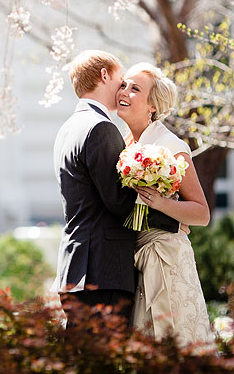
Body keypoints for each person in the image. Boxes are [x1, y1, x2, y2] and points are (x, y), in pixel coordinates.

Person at [50, 51, 185, 330]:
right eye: (121, 81)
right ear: (104, 76)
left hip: (76, 267)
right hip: (102, 271)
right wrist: (173, 221)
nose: (123, 89)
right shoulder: (100, 128)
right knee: (103, 366)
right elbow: (120, 204)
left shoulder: (68, 128)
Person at [116, 62, 214, 347]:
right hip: (134, 258)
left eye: (135, 88)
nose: (124, 91)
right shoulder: (123, 144)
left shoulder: (171, 147)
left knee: (173, 342)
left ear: (152, 106)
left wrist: (160, 203)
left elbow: (202, 213)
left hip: (167, 259)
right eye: (124, 85)